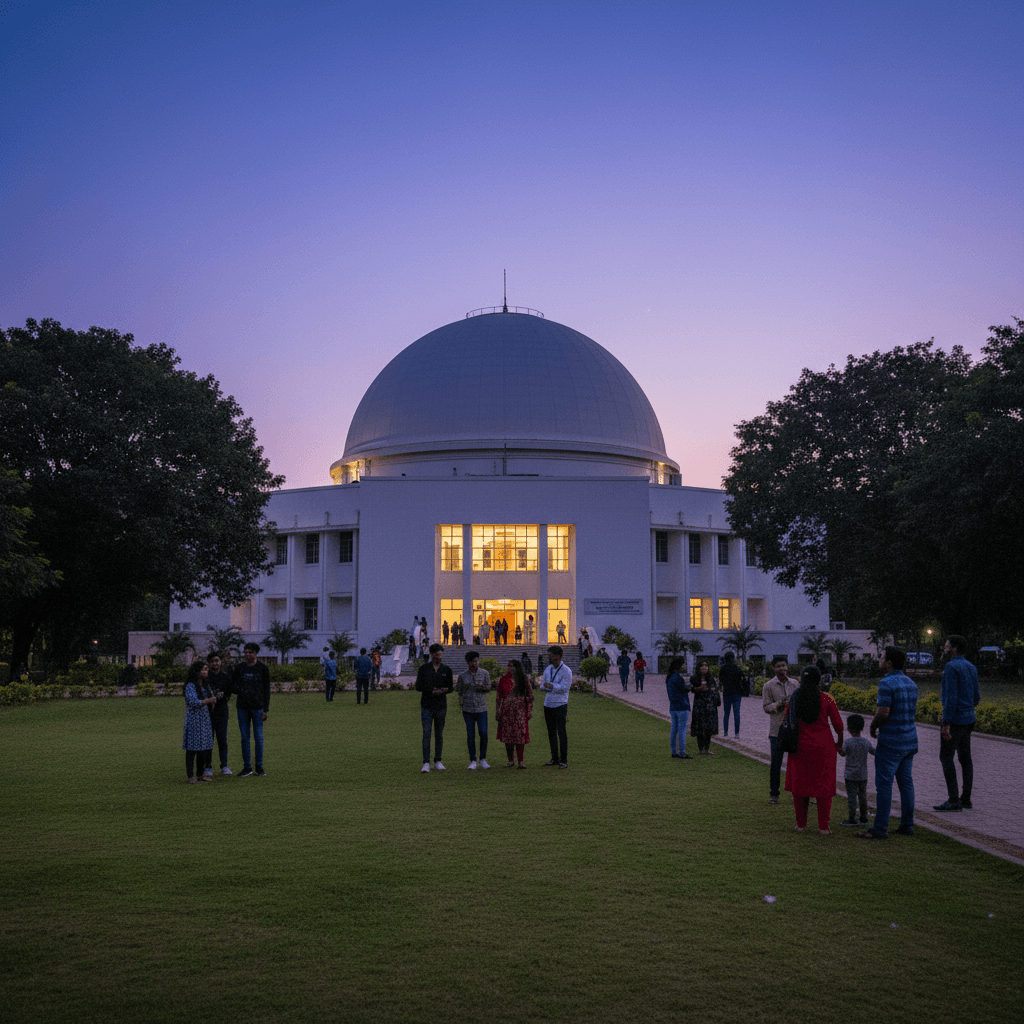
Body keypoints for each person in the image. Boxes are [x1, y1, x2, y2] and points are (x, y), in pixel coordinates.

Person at [859, 646, 919, 840]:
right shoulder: (911, 683)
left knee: (884, 785)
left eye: (882, 656)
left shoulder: (886, 683)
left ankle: (880, 828)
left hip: (891, 741)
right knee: (906, 784)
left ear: (889, 663)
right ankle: (907, 825)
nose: (880, 659)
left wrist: (873, 726)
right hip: (909, 740)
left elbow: (883, 711)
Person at [782, 665, 844, 834]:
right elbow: (839, 725)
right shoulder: (827, 699)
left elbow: (786, 720)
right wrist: (840, 742)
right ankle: (824, 827)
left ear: (801, 679)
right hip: (824, 748)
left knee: (800, 787)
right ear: (819, 680)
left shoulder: (794, 699)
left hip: (800, 747)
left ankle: (800, 824)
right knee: (823, 787)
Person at [934, 634, 981, 811]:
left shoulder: (951, 667)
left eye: (946, 645)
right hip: (969, 718)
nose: (944, 648)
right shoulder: (971, 667)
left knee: (946, 757)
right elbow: (976, 696)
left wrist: (946, 722)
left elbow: (950, 698)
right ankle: (966, 798)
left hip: (955, 720)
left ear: (953, 648)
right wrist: (968, 707)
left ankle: (953, 799)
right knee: (965, 758)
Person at [227, 642, 270, 777]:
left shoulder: (262, 668)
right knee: (245, 738)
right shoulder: (239, 668)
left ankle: (259, 767)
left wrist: (265, 709)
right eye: (246, 652)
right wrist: (242, 690)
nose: (248, 655)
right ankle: (247, 767)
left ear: (256, 653)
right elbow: (232, 685)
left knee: (258, 737)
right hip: (242, 708)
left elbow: (266, 690)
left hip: (258, 708)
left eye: (250, 652)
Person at [763, 657, 799, 804]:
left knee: (797, 763)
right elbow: (766, 707)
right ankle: (774, 794)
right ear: (773, 668)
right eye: (778, 666)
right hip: (777, 731)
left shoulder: (795, 684)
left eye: (784, 666)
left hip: (793, 729)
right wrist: (778, 704)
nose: (782, 669)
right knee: (776, 764)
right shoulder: (769, 686)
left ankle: (800, 792)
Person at [416, 643, 454, 772]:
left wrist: (444, 690)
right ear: (432, 655)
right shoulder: (424, 669)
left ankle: (438, 760)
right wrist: (430, 691)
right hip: (427, 705)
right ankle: (426, 762)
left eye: (440, 654)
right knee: (426, 733)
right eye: (437, 654)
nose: (439, 657)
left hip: (441, 706)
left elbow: (451, 688)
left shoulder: (446, 670)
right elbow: (418, 686)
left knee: (439, 734)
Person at [182, 660, 217, 784]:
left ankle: (201, 774)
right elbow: (193, 702)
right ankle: (191, 775)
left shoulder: (205, 685)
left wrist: (213, 701)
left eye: (206, 669)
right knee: (192, 748)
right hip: (194, 720)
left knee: (204, 747)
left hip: (204, 718)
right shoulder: (190, 685)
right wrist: (208, 700)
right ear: (196, 671)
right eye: (203, 669)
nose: (205, 671)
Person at [456, 650, 492, 769]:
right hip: (468, 709)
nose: (475, 663)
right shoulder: (463, 676)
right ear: (468, 662)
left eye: (476, 661)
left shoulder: (484, 673)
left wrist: (482, 687)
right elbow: (459, 691)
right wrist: (464, 688)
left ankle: (483, 758)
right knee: (470, 735)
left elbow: (489, 688)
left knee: (483, 733)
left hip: (481, 708)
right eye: (472, 661)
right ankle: (473, 760)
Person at [496, 659, 534, 767]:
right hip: (506, 711)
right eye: (508, 666)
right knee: (508, 736)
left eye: (512, 666)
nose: (510, 668)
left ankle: (521, 761)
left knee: (520, 735)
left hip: (520, 711)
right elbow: (499, 697)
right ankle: (510, 760)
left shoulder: (523, 679)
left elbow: (531, 696)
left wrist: (529, 710)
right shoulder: (503, 679)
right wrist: (497, 711)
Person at [839, 713, 874, 826]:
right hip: (863, 775)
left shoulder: (848, 742)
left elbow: (843, 754)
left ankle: (852, 818)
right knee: (862, 796)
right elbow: (874, 752)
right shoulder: (865, 742)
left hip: (850, 775)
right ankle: (864, 818)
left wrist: (837, 748)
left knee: (852, 797)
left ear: (848, 728)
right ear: (862, 728)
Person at [540, 645, 571, 768]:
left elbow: (565, 688)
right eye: (550, 656)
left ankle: (563, 760)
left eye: (553, 656)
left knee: (561, 732)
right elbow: (542, 686)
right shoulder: (548, 669)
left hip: (560, 704)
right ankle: (554, 758)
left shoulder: (566, 670)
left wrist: (552, 686)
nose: (551, 658)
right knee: (551, 732)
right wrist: (548, 686)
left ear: (559, 657)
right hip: (548, 704)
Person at [206, 652, 233, 775]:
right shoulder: (205, 677)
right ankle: (208, 766)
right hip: (208, 713)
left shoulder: (226, 677)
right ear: (209, 663)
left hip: (222, 712)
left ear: (220, 662)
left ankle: (224, 766)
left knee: (222, 739)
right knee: (208, 740)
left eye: (217, 660)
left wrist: (222, 696)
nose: (215, 663)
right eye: (212, 661)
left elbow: (228, 693)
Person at [689, 661, 720, 754]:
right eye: (702, 665)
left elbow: (715, 690)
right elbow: (691, 689)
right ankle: (700, 749)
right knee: (699, 727)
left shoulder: (711, 679)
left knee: (708, 728)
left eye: (706, 665)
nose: (704, 667)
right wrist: (698, 688)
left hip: (710, 706)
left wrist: (710, 689)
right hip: (699, 706)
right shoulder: (694, 678)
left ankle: (706, 749)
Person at [665, 657, 692, 758]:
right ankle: (682, 752)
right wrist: (691, 684)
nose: (684, 666)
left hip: (673, 707)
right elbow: (684, 689)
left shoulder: (670, 678)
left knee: (674, 729)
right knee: (682, 730)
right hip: (682, 706)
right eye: (683, 665)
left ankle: (674, 751)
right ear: (678, 666)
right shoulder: (678, 678)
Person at [719, 651, 746, 737]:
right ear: (733, 658)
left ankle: (726, 732)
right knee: (736, 713)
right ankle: (736, 733)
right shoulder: (737, 668)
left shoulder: (723, 668)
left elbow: (721, 680)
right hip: (737, 693)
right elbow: (743, 678)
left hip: (727, 692)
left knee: (726, 713)